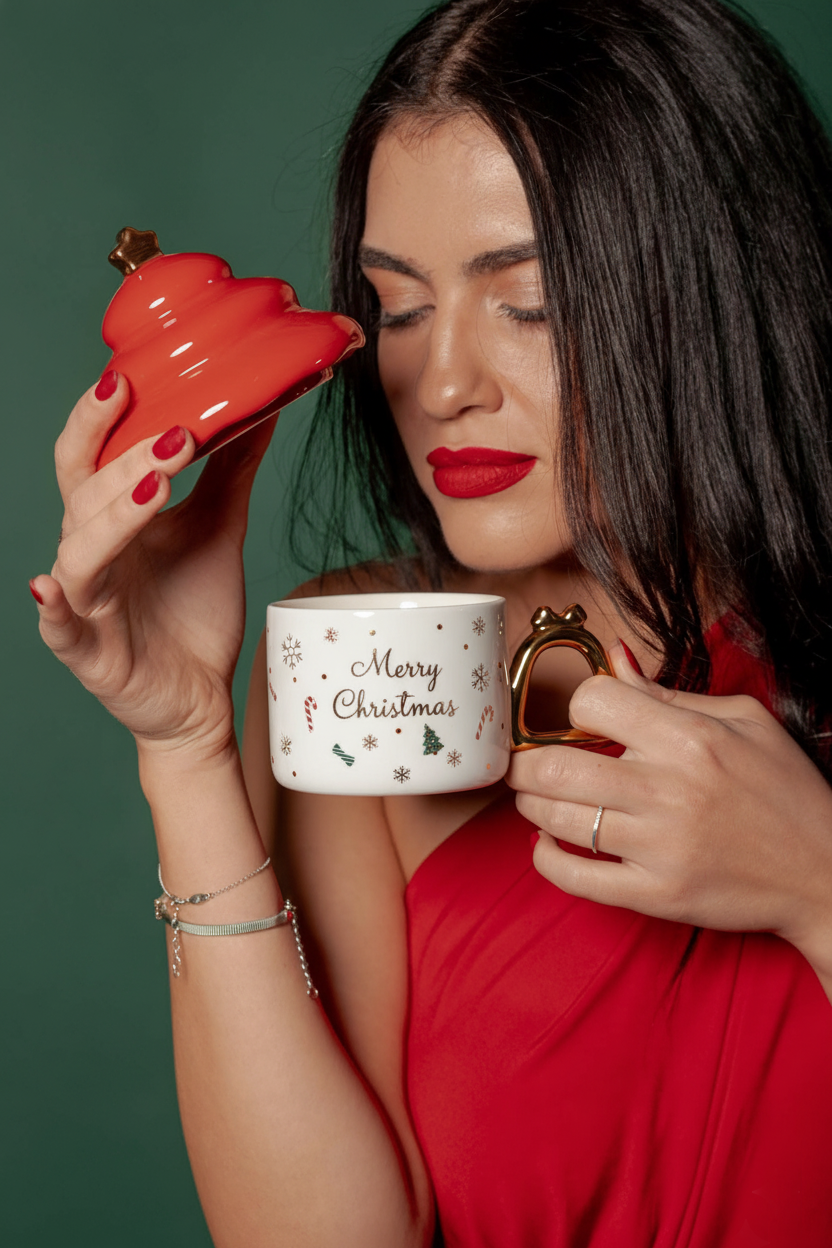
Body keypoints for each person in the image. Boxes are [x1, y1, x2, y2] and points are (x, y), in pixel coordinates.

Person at [31, 0, 832, 1243]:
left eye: (531, 302)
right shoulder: (370, 670)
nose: (443, 384)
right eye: (399, 310)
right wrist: (181, 749)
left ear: (711, 287)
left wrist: (816, 885)